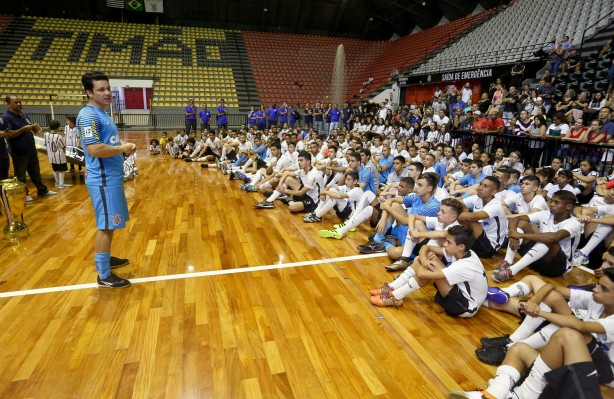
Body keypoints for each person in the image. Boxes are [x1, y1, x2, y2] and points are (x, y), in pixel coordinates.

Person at [76, 71, 135, 288]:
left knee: (110, 224)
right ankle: (103, 274)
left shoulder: (101, 113)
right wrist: (122, 147)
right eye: (101, 89)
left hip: (111, 177)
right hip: (102, 179)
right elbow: (94, 149)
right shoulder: (88, 115)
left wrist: (121, 152)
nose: (107, 92)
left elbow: (105, 145)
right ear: (89, 93)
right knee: (105, 225)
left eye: (108, 88)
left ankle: (106, 257)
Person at [370, 225, 488, 318]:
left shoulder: (465, 265)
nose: (445, 244)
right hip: (459, 294)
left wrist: (420, 261)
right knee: (427, 260)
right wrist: (422, 258)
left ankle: (396, 295)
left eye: (449, 242)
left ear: (461, 246)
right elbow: (426, 248)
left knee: (429, 267)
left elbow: (422, 274)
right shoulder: (463, 252)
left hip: (465, 307)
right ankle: (393, 289)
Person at [494, 190, 582, 282]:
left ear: (568, 206)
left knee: (549, 240)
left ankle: (512, 271)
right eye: (551, 201)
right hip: (536, 258)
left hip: (555, 266)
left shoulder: (574, 223)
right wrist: (513, 234)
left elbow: (555, 237)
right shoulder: (545, 214)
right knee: (522, 223)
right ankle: (507, 262)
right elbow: (516, 218)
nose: (551, 204)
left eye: (556, 202)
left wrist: (520, 235)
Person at [2, 95, 56, 200]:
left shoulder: (24, 115)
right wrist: (25, 128)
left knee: (35, 172)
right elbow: (9, 134)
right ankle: (23, 194)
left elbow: (29, 129)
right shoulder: (6, 117)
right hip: (19, 151)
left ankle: (42, 190)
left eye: (19, 101)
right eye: (15, 102)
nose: (19, 104)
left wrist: (34, 129)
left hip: (31, 148)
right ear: (8, 104)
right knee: (20, 175)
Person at [457, 176, 508, 258]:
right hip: (477, 237)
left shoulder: (496, 205)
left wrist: (452, 214)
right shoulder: (478, 198)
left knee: (470, 219)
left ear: (493, 192)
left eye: (485, 186)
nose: (480, 188)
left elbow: (471, 217)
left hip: (489, 247)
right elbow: (457, 203)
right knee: (460, 207)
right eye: (480, 184)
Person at [44, 119, 71, 188]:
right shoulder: (58, 136)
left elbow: (45, 144)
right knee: (62, 170)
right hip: (59, 155)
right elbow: (63, 146)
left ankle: (57, 182)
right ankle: (61, 184)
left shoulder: (46, 134)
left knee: (55, 169)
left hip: (51, 155)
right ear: (57, 127)